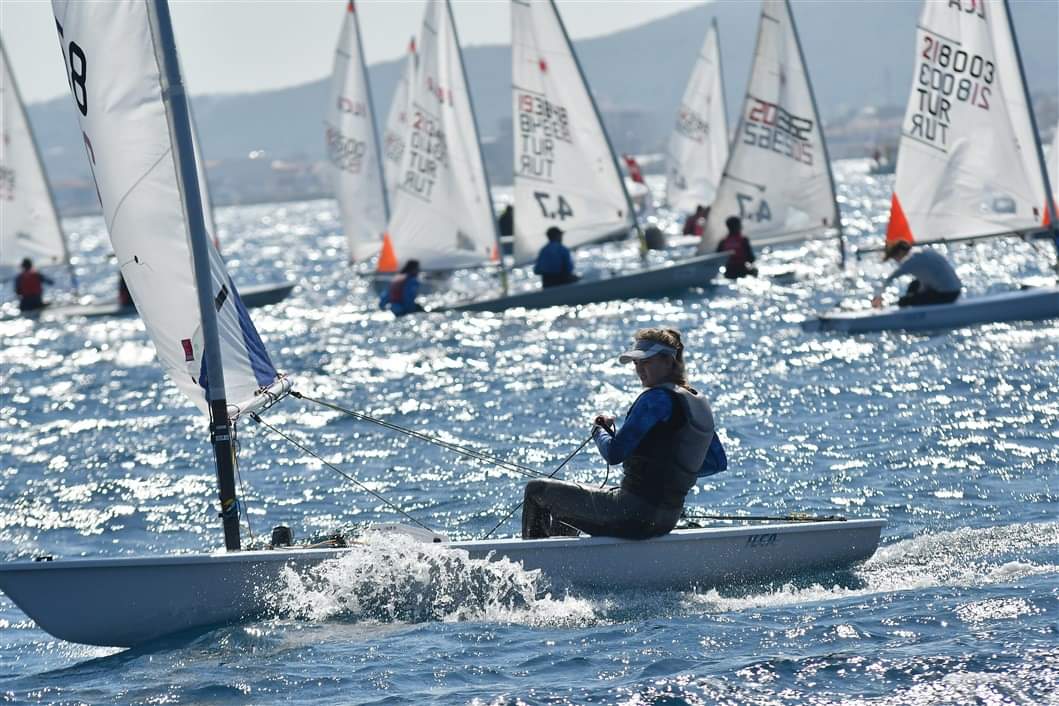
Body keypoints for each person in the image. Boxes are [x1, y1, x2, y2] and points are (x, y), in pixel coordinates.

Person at [522, 328, 724, 540]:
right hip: (667, 517)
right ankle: (566, 555)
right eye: (637, 364)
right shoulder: (694, 400)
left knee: (536, 491)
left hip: (633, 516)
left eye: (646, 362)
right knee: (575, 498)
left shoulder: (654, 399)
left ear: (667, 361)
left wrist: (598, 430)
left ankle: (533, 562)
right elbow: (713, 463)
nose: (639, 369)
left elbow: (614, 453)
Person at [872, 240, 961, 308]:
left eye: (895, 257)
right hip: (955, 291)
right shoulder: (921, 251)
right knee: (914, 285)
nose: (896, 260)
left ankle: (911, 313)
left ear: (900, 252)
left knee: (905, 301)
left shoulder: (912, 260)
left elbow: (891, 278)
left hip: (947, 295)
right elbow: (925, 283)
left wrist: (878, 297)